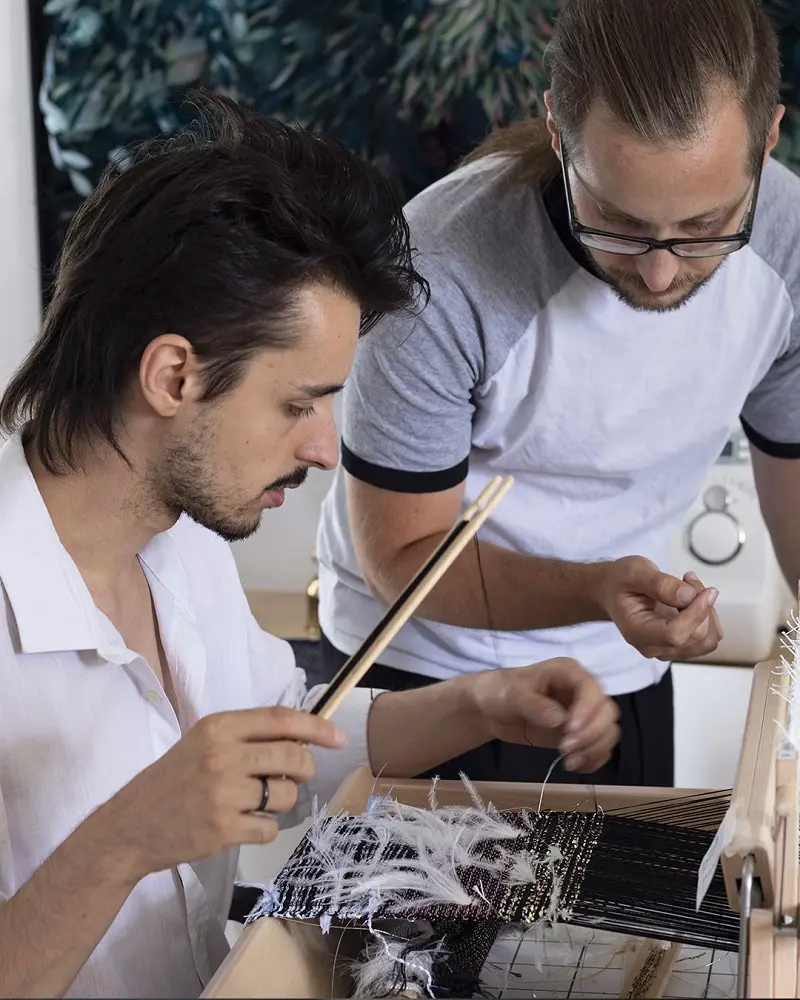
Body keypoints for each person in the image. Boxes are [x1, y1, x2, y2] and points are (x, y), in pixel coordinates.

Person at [0, 91, 619, 999]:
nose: (324, 447)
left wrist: (479, 705)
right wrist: (126, 837)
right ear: (174, 374)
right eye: (298, 404)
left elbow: (287, 744)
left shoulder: (182, 544)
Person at [315, 0, 800, 789]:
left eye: (706, 225)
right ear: (557, 130)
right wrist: (599, 588)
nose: (660, 272)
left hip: (627, 665)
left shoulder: (789, 243)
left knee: (619, 916)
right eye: (618, 220)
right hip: (422, 670)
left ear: (769, 137)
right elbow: (401, 559)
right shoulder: (440, 268)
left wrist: (616, 602)